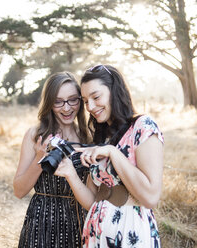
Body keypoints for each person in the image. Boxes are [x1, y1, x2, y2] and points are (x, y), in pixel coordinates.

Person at [54, 65, 164, 247]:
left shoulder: (143, 126)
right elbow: (92, 201)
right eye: (86, 101)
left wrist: (113, 153)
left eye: (96, 97)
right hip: (97, 233)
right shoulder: (101, 137)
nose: (90, 106)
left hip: (130, 233)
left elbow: (151, 197)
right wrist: (70, 174)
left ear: (114, 90)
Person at [13, 71, 90, 248]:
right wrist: (39, 159)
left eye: (73, 99)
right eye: (58, 101)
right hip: (42, 222)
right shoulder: (35, 135)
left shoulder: (88, 137)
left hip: (79, 222)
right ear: (49, 103)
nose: (66, 108)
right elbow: (18, 190)